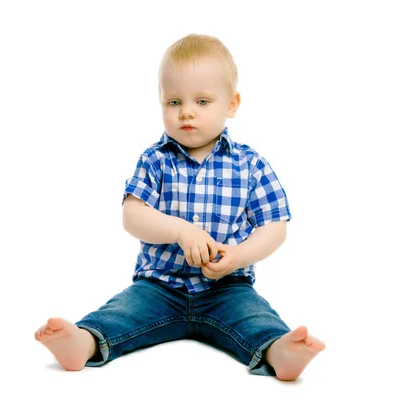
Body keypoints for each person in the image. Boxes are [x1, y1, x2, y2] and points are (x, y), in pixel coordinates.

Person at [34, 33, 325, 380]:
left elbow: (275, 227)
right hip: (159, 286)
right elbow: (133, 215)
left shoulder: (250, 165)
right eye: (173, 102)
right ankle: (83, 342)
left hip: (227, 288)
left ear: (231, 104)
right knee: (121, 312)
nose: (186, 111)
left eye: (202, 101)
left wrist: (240, 256)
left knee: (256, 318)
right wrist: (181, 230)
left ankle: (279, 351)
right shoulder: (155, 160)